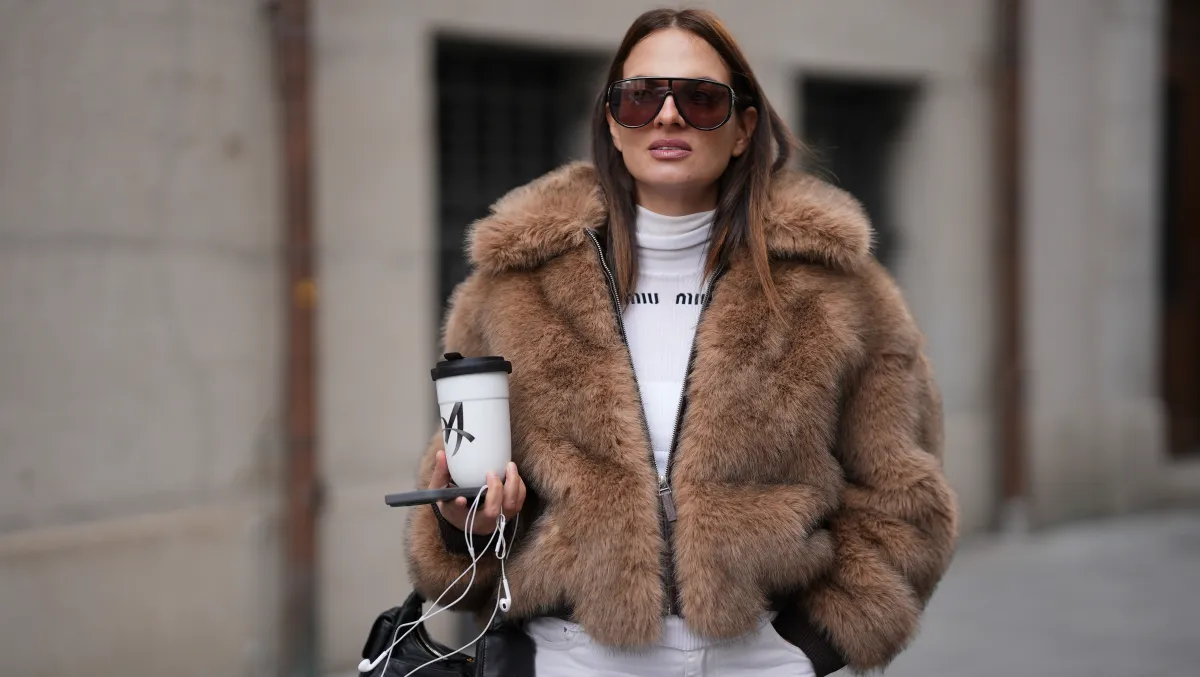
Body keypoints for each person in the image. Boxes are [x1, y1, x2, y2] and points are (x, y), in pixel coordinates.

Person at [407, 7, 958, 677]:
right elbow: (464, 514)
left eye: (700, 99)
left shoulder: (838, 290)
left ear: (743, 128)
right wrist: (463, 524)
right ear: (613, 123)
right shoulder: (514, 286)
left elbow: (904, 498)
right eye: (640, 97)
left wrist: (807, 648)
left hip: (758, 658)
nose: (667, 117)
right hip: (567, 657)